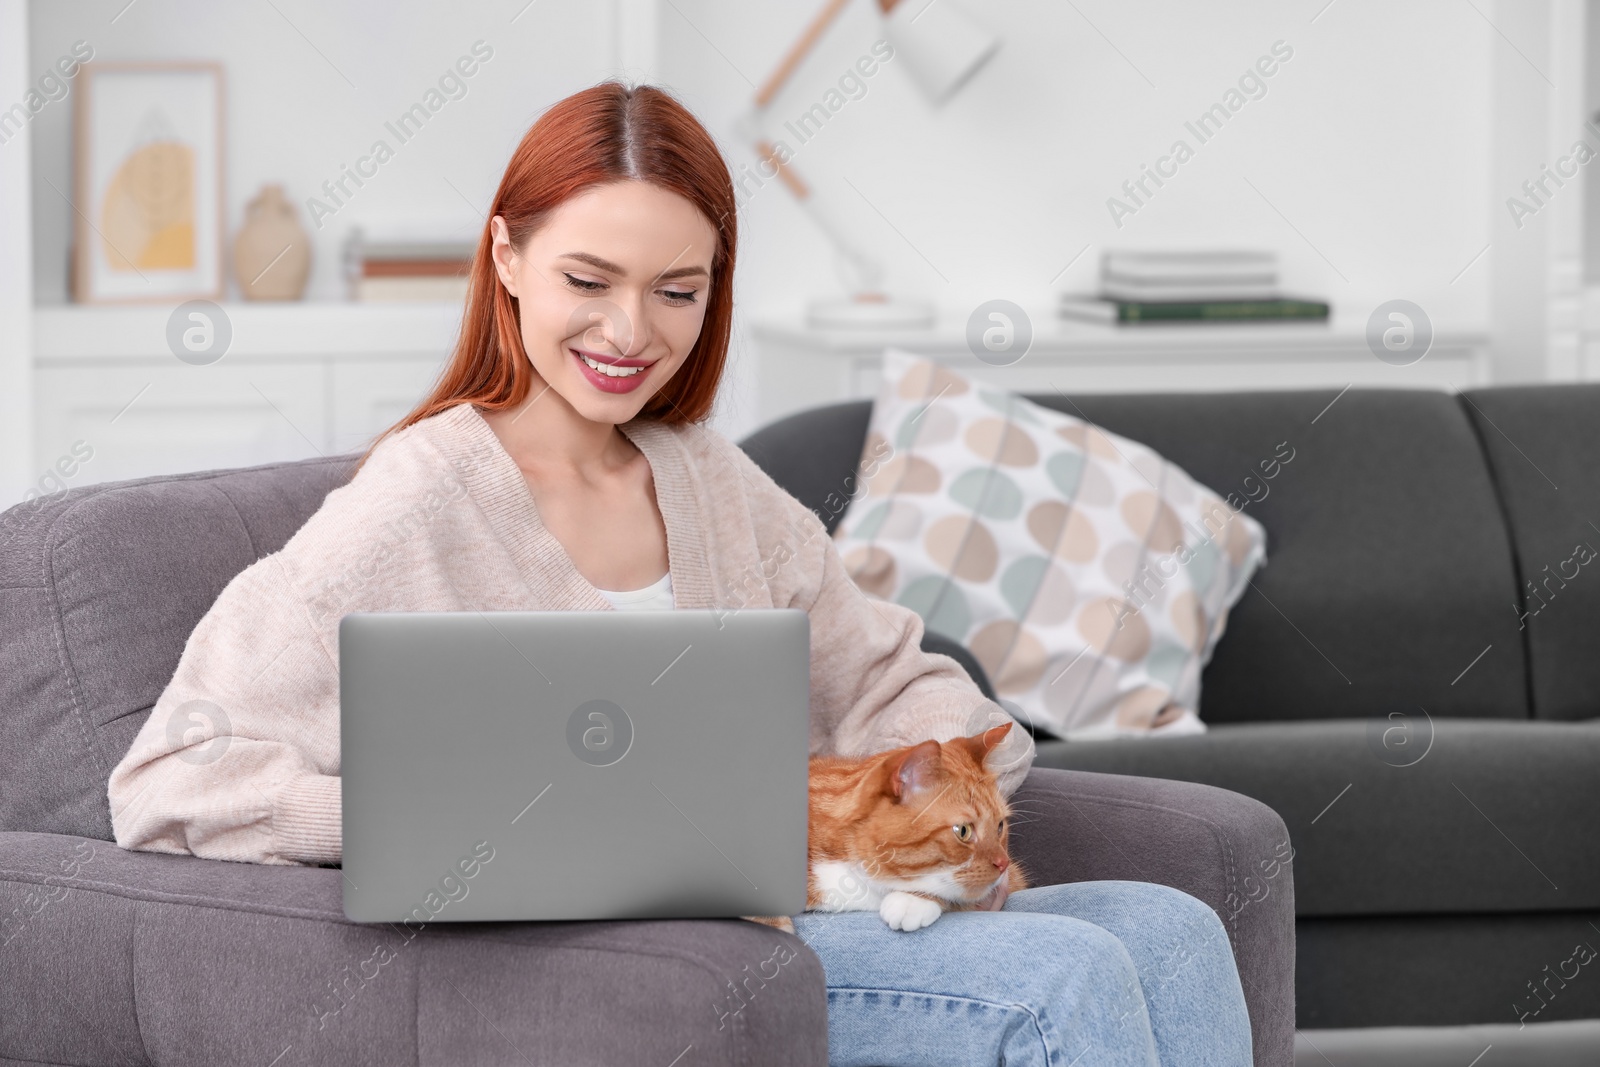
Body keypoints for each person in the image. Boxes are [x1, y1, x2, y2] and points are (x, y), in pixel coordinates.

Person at [105, 80, 1251, 1066]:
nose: (630, 331)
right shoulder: (412, 503)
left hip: (798, 909)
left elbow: (896, 679)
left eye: (677, 290)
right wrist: (424, 819)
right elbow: (165, 787)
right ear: (507, 257)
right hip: (618, 962)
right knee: (1064, 974)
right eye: (588, 279)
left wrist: (917, 803)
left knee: (1170, 924)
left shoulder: (704, 473)